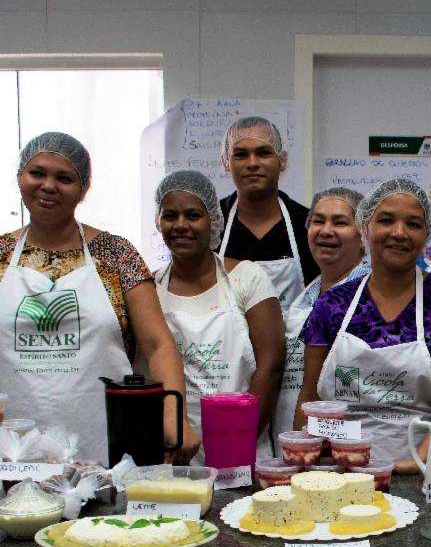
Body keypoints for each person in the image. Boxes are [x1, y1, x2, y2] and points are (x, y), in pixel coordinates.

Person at [0, 132, 197, 465]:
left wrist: (174, 416)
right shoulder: (1, 255)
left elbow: (157, 343)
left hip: (110, 440)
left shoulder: (117, 254)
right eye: (37, 173)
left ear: (83, 189)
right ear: (20, 177)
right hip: (13, 445)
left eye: (64, 178)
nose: (48, 185)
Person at [297, 179, 431, 473]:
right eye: (386, 220)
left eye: (413, 224)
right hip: (339, 467)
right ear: (365, 226)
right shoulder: (332, 304)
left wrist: (417, 462)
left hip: (422, 465)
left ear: (427, 234)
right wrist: (306, 462)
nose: (399, 232)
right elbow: (310, 396)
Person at [151, 171, 284, 464]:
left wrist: (239, 439)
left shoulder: (246, 277)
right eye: (170, 215)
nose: (181, 225)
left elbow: (271, 365)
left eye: (193, 215)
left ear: (213, 220)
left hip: (242, 445)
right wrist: (174, 433)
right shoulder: (151, 288)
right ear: (158, 222)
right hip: (174, 446)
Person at [273, 187, 370, 438]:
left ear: (363, 235)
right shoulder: (305, 296)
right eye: (318, 221)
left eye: (340, 222)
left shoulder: (369, 294)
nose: (326, 230)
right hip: (295, 429)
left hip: (347, 435)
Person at [218, 116, 319, 313]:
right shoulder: (211, 225)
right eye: (240, 155)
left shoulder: (309, 225)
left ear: (282, 160)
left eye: (263, 153)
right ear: (226, 163)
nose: (252, 163)